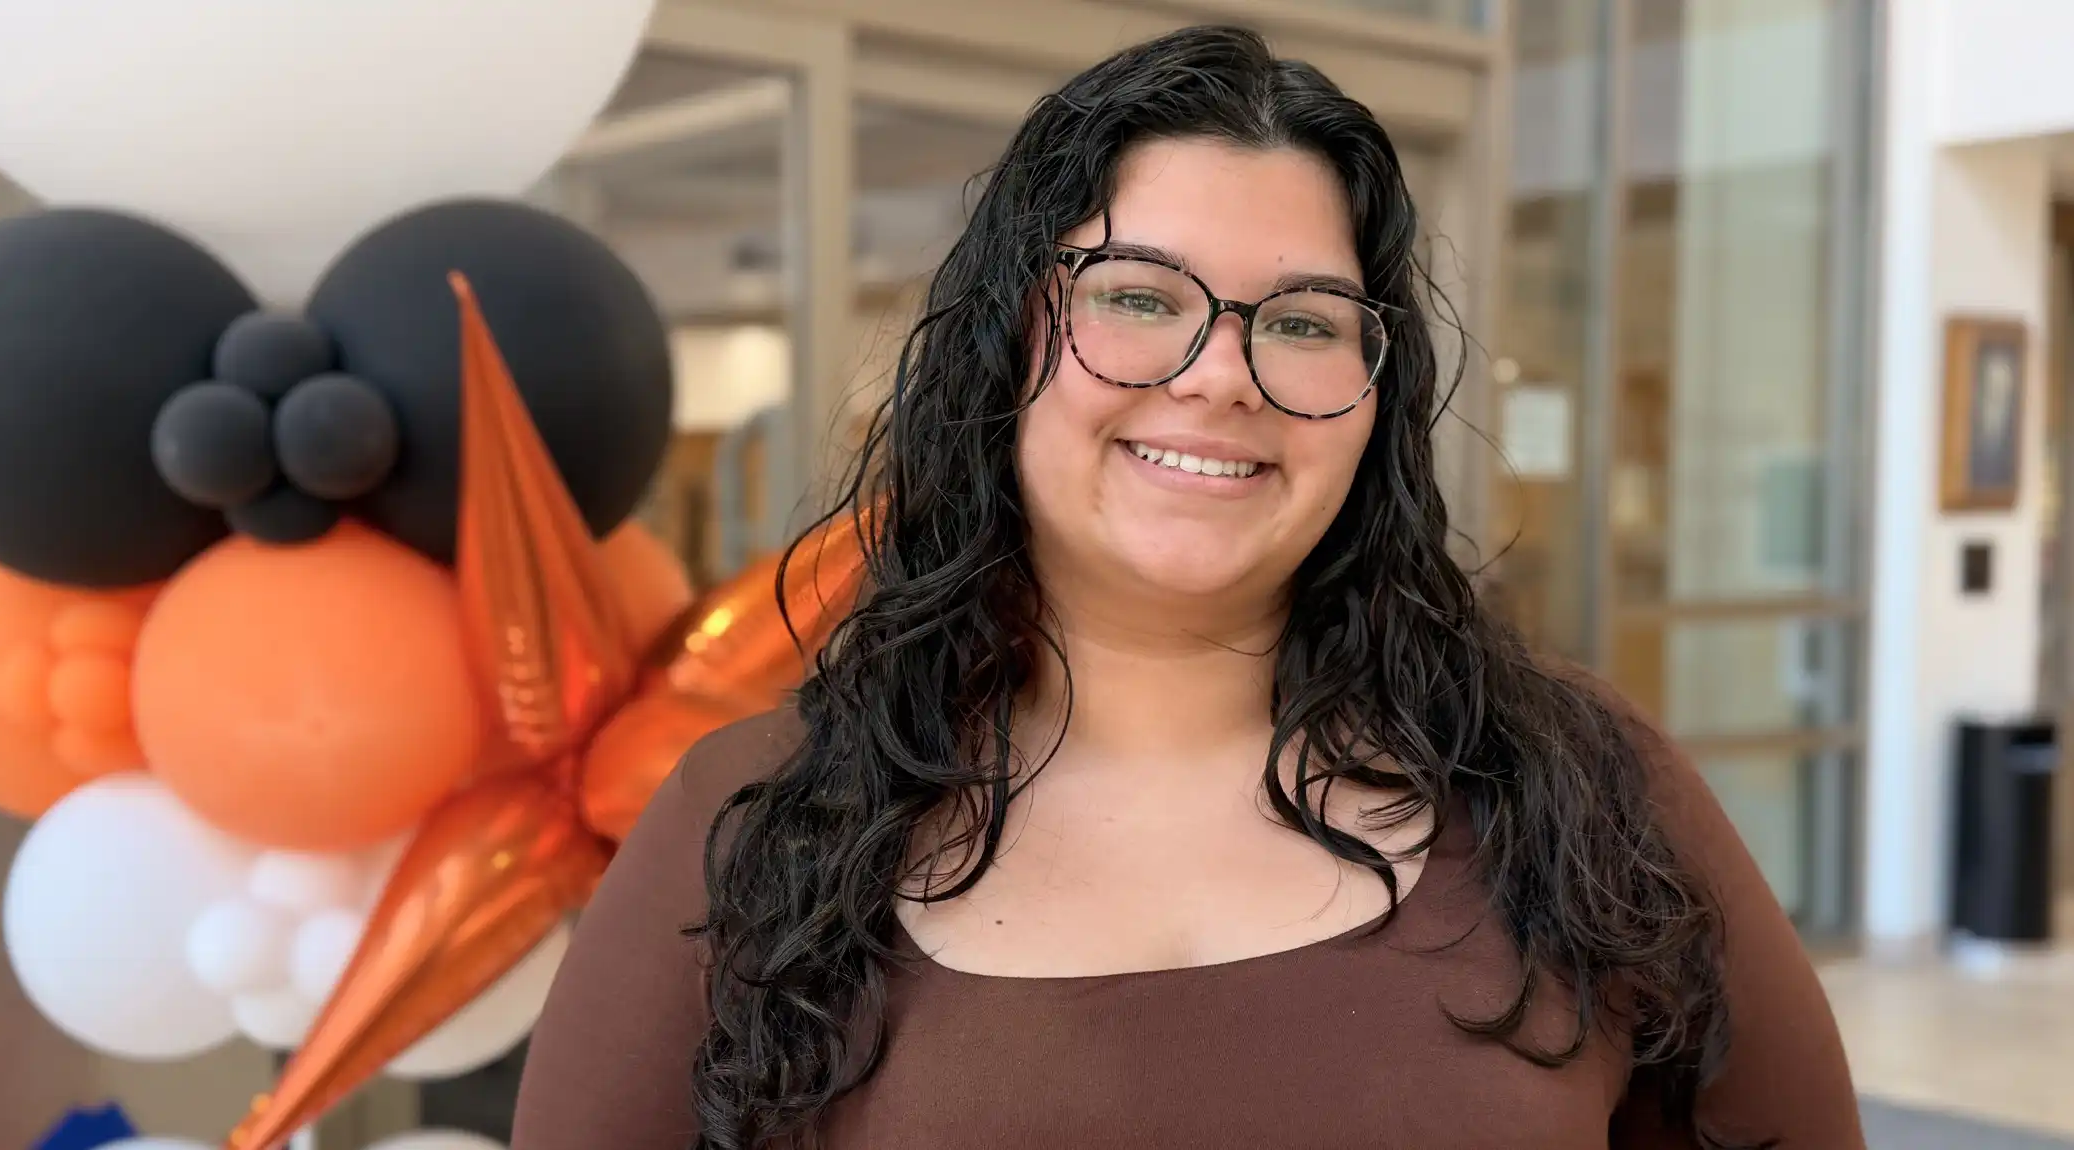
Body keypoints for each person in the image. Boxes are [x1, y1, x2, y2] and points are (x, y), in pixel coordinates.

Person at [513, 25, 1863, 1150]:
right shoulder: (749, 829)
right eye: (1141, 296)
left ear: (1373, 399)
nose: (1222, 373)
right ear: (1005, 343)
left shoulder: (1584, 793)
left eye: (1302, 322)